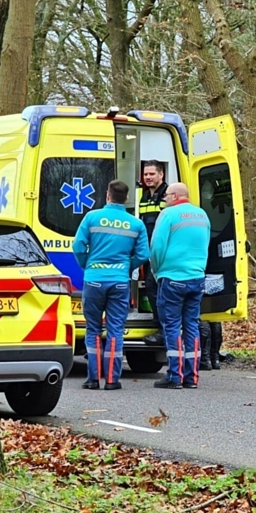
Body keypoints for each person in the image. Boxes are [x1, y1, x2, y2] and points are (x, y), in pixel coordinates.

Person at [73, 180, 149, 390]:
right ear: (125, 198)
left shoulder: (92, 217)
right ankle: (112, 380)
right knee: (116, 330)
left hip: (94, 279)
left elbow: (78, 246)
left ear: (107, 195)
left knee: (93, 329)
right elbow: (143, 254)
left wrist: (87, 266)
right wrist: (125, 268)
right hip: (119, 281)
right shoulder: (136, 224)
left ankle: (93, 379)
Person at [150, 182, 210, 389]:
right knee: (192, 325)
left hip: (172, 277)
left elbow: (157, 247)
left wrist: (156, 271)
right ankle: (192, 377)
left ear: (175, 196)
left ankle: (174, 376)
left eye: (166, 195)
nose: (164, 198)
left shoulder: (168, 215)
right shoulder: (202, 215)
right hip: (196, 277)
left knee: (172, 326)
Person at [138, 160, 167, 346]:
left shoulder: (167, 195)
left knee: (154, 287)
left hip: (160, 251)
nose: (148, 177)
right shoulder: (144, 196)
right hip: (147, 250)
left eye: (152, 174)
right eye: (146, 174)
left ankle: (163, 329)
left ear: (161, 174)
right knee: (151, 288)